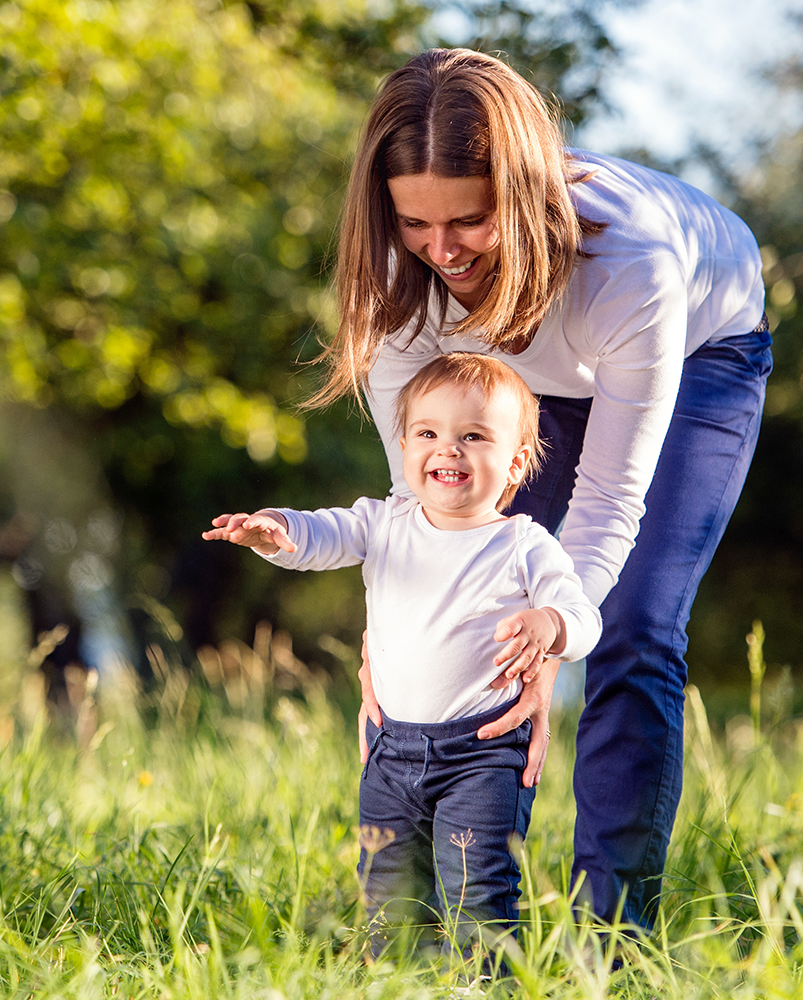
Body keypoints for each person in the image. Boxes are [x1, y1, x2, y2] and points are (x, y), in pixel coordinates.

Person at [309, 48, 772, 929]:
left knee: (632, 627)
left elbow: (607, 507)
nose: (443, 250)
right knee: (475, 620)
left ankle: (614, 935)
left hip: (698, 356)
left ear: (519, 197)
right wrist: (394, 628)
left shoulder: (632, 264)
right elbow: (425, 513)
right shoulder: (404, 281)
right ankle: (454, 926)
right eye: (415, 222)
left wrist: (558, 631)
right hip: (521, 371)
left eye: (470, 219)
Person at [204, 353, 601, 959]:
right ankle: (395, 978)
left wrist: (550, 622)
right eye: (428, 433)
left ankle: (482, 985)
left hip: (484, 753)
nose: (448, 448)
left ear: (517, 461)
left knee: (477, 888)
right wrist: (276, 530)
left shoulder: (524, 544)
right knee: (387, 891)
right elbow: (322, 534)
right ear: (405, 445)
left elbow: (584, 619)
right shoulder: (384, 522)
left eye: (474, 436)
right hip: (390, 752)